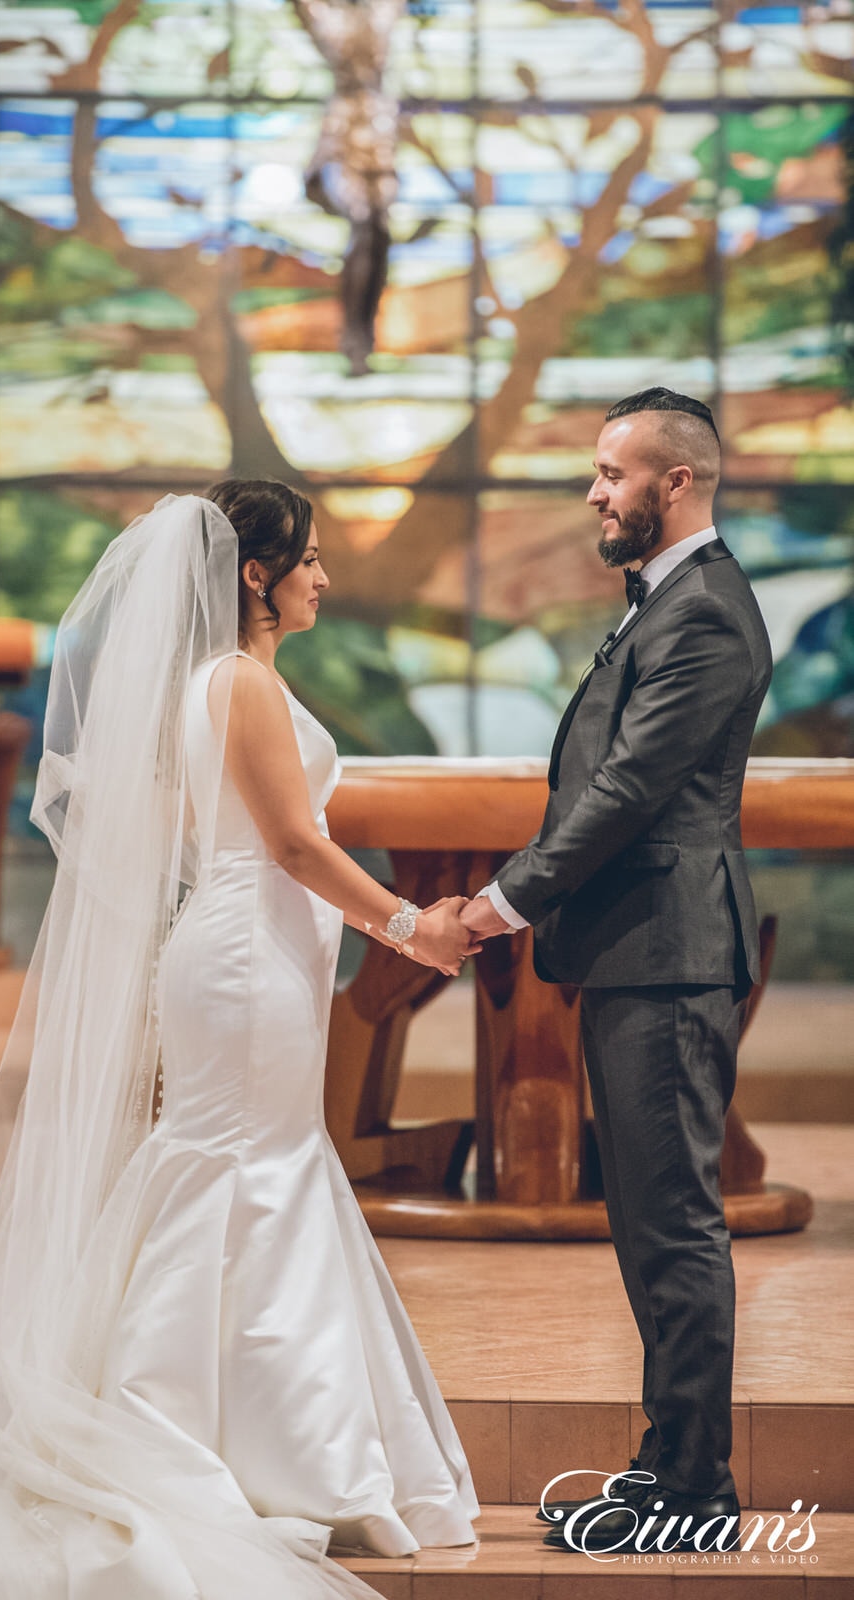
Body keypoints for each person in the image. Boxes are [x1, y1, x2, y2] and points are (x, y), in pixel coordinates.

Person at [0, 483, 478, 1600]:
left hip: (250, 947)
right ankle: (216, 1432)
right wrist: (411, 928)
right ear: (256, 575)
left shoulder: (208, 683)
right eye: (308, 559)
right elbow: (292, 846)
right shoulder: (240, 683)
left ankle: (243, 1428)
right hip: (247, 955)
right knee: (246, 1164)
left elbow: (212, 830)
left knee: (251, 1159)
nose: (324, 576)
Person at [461, 389, 772, 1554]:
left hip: (670, 952)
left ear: (674, 482)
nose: (595, 493)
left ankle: (698, 1491)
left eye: (611, 473)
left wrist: (498, 903)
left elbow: (627, 791)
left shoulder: (702, 613)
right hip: (641, 950)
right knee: (648, 1222)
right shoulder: (671, 602)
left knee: (675, 1223)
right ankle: (665, 1465)